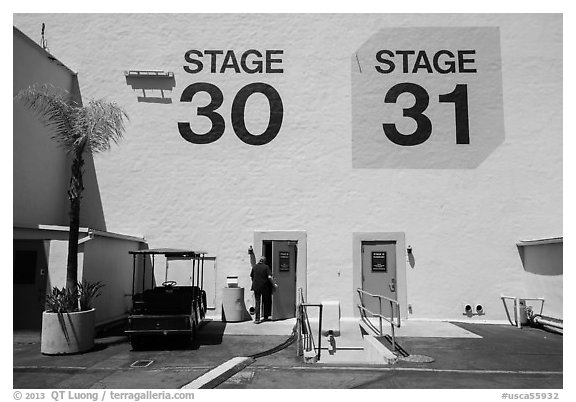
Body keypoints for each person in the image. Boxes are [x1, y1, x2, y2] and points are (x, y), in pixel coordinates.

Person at [248, 246, 278, 324]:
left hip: (256, 287)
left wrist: (255, 283)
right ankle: (265, 316)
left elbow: (251, 276)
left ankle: (257, 319)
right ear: (264, 261)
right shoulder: (266, 267)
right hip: (264, 287)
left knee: (258, 302)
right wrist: (274, 284)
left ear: (259, 260)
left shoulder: (254, 267)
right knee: (266, 301)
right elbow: (269, 276)